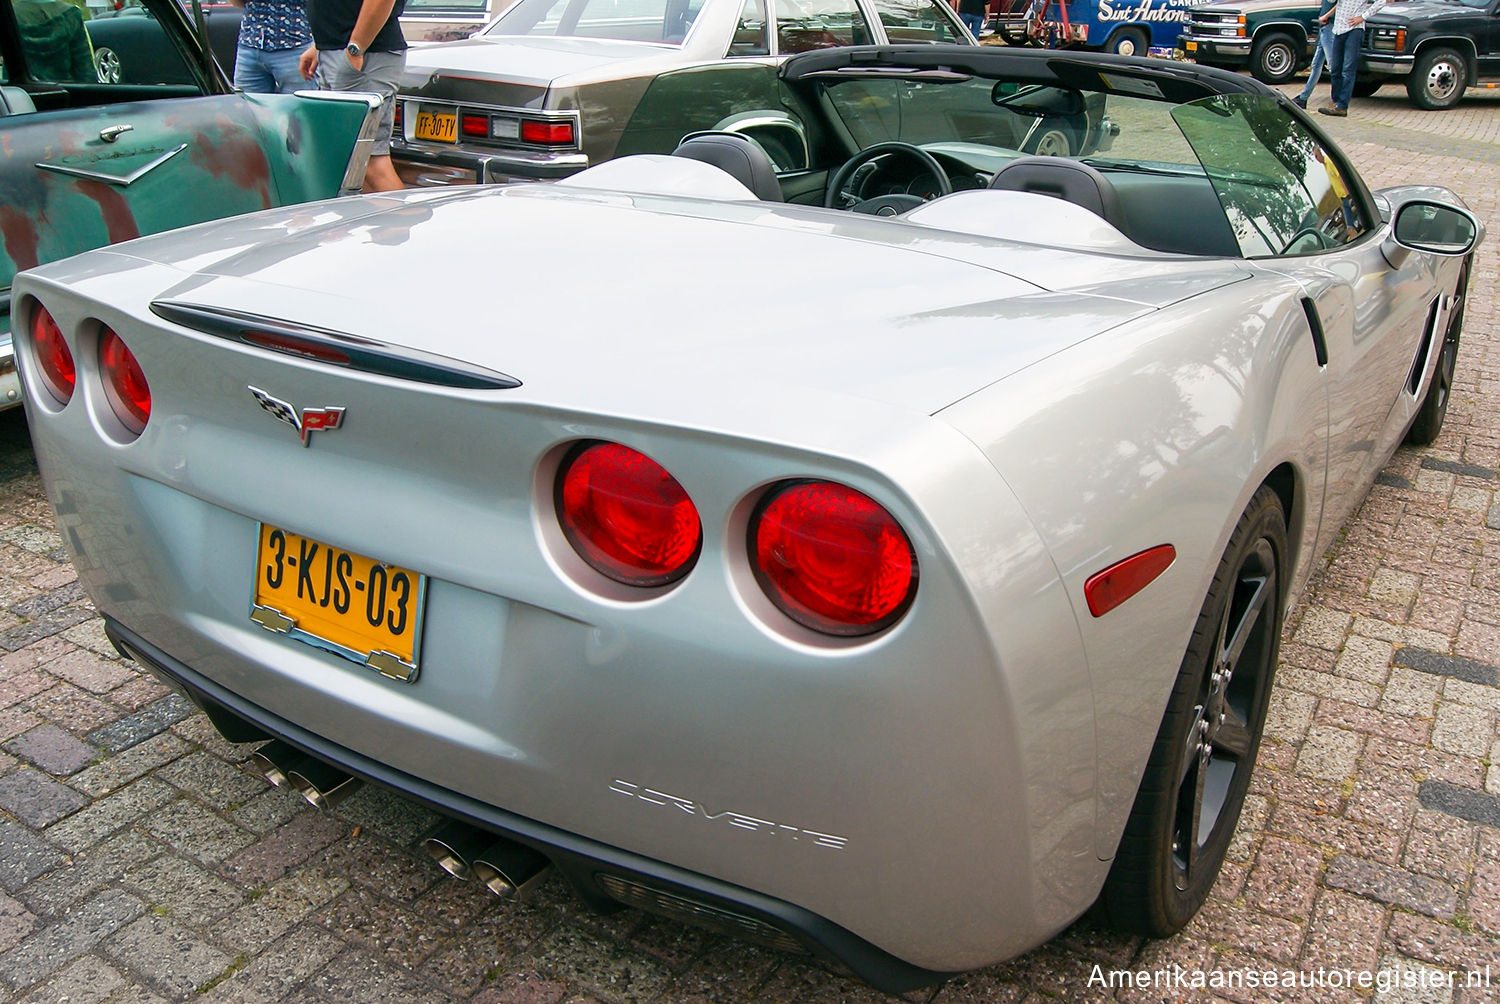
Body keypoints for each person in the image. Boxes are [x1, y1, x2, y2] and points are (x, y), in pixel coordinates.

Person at [298, 0, 406, 192]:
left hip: (366, 54)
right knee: (351, 165)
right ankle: (378, 222)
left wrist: (356, 47)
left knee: (370, 163)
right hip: (342, 50)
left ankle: (403, 222)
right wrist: (322, 44)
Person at [228, 0, 312, 94]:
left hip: (295, 46)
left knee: (297, 106)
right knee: (248, 106)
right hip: (250, 45)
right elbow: (237, 3)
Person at [1318, 0, 1384, 117]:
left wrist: (1363, 17)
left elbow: (1381, 2)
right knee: (1335, 68)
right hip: (1339, 28)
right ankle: (1335, 101)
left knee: (1348, 69)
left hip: (1354, 29)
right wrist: (1327, 15)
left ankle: (1342, 106)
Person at [14, 0, 95, 83]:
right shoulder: (71, 14)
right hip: (64, 90)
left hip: (18, 91)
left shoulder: (10, 14)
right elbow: (85, 67)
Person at [1293, 0, 1336, 109]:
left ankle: (1338, 101)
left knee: (1332, 65)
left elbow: (1339, 5)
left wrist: (1326, 15)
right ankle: (1303, 97)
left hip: (1329, 24)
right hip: (1325, 26)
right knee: (1316, 64)